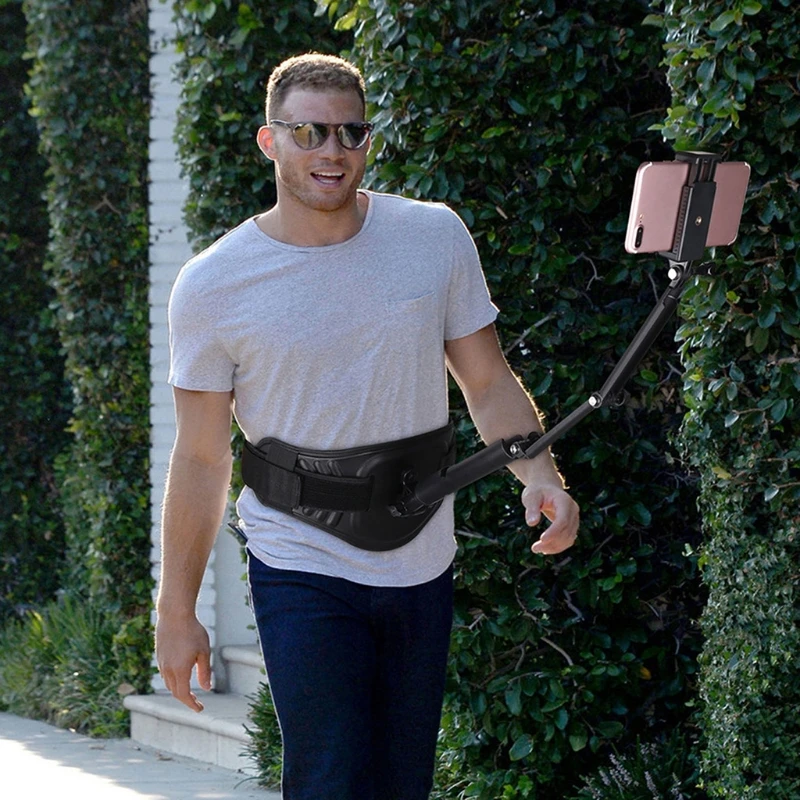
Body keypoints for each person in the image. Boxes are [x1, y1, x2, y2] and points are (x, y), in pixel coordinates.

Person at [155, 52, 580, 800]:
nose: (333, 151)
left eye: (351, 133)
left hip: (421, 556)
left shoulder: (433, 238)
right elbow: (200, 458)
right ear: (269, 141)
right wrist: (176, 609)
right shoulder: (214, 284)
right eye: (310, 133)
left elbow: (486, 380)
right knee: (330, 778)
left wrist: (540, 474)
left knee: (401, 783)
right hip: (298, 555)